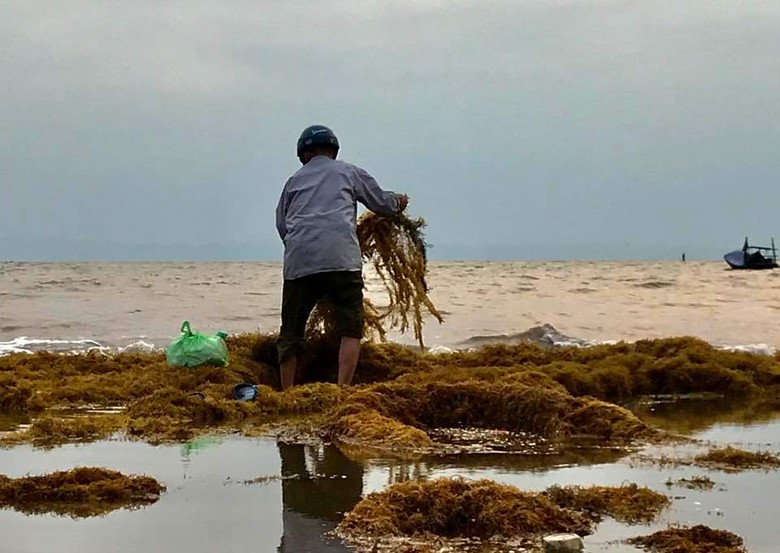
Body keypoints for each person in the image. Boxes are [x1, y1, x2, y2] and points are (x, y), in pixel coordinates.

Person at [275, 125, 408, 389]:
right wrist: (398, 202)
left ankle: (287, 392)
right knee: (351, 327)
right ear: (333, 150)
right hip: (341, 260)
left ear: (303, 153)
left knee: (291, 332)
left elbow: (282, 225)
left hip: (299, 262)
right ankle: (342, 390)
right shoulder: (348, 172)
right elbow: (381, 202)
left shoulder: (293, 182)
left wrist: (303, 248)